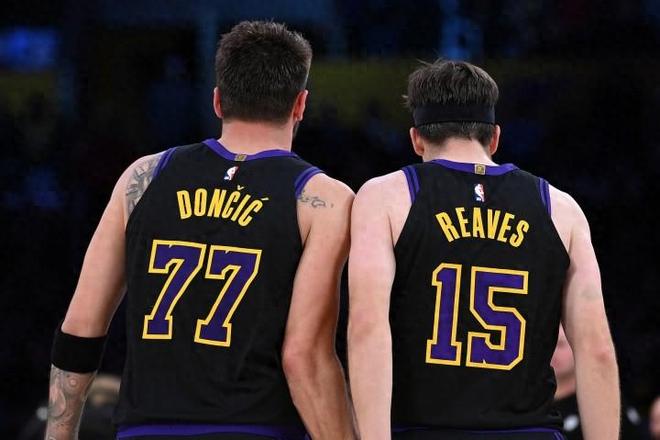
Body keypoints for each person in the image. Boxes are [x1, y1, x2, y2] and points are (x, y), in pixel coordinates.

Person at [46, 21, 355, 440]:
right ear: (300, 104)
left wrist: (58, 435)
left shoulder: (144, 176)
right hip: (254, 429)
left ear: (217, 101)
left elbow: (81, 328)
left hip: (146, 430)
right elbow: (304, 358)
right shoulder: (324, 198)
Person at [348, 59, 620, 440]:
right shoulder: (560, 208)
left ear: (416, 139)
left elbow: (366, 328)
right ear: (494, 138)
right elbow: (596, 350)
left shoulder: (385, 197)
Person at [551, 326, 645, 439]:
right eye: (549, 345)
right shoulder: (538, 402)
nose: (553, 352)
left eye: (561, 345)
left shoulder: (604, 405)